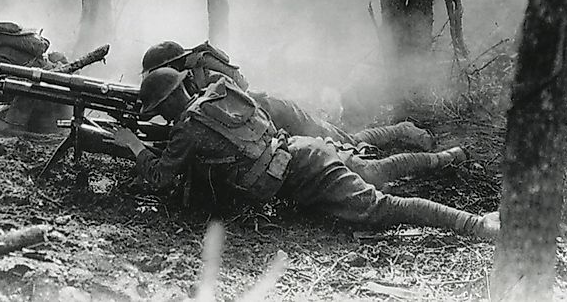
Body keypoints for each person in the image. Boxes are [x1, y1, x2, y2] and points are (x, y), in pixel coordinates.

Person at [112, 68, 499, 239]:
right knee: (376, 171)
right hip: (301, 150)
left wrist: (133, 146)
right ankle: (448, 158)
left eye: (158, 109)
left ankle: (477, 225)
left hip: (302, 171)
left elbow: (162, 177)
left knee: (380, 207)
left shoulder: (188, 130)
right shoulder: (218, 94)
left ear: (165, 104)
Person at [141, 41, 433, 150]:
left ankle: (403, 130)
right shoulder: (189, 81)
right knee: (338, 146)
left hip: (275, 113)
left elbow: (239, 90)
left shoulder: (204, 71)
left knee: (345, 142)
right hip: (264, 129)